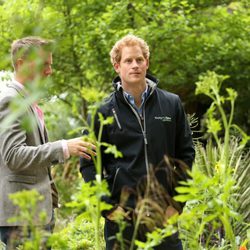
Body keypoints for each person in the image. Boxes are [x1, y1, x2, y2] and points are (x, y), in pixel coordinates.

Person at [80, 34, 195, 249]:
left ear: (147, 63)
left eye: (139, 60)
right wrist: (108, 208)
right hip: (123, 220)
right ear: (117, 66)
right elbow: (88, 164)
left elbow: (186, 155)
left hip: (163, 215)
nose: (135, 65)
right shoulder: (101, 112)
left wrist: (177, 204)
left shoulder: (171, 104)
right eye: (128, 61)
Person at [0, 36, 96, 248]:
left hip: (36, 215)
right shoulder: (10, 100)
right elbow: (14, 156)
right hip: (22, 218)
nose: (49, 71)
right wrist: (63, 147)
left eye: (50, 65)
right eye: (44, 65)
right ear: (22, 64)